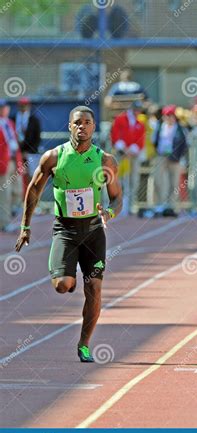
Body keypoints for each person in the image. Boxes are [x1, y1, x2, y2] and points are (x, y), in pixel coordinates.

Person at [15, 106, 122, 363]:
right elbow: (34, 189)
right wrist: (25, 226)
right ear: (70, 126)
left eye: (87, 122)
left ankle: (84, 344)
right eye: (77, 123)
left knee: (94, 288)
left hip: (94, 231)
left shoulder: (105, 160)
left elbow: (117, 198)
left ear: (94, 127)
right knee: (63, 286)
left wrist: (108, 213)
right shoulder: (54, 157)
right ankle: (69, 276)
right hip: (65, 229)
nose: (82, 127)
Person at [151, 104, 188, 216]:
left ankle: (171, 206)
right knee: (158, 180)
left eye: (171, 115)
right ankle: (159, 204)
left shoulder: (181, 129)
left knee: (174, 182)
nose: (169, 118)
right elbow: (154, 140)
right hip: (161, 156)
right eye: (167, 115)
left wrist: (179, 157)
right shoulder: (159, 126)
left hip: (174, 158)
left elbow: (184, 145)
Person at [110, 100, 145, 214]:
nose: (137, 112)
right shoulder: (120, 119)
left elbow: (141, 140)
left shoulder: (140, 123)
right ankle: (118, 204)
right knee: (119, 179)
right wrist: (122, 148)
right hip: (121, 154)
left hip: (133, 155)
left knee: (133, 179)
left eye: (138, 110)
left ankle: (131, 204)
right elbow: (115, 134)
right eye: (135, 110)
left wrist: (133, 149)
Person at [0, 99, 23, 231]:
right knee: (5, 194)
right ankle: (4, 222)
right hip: (3, 162)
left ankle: (14, 209)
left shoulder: (9, 122)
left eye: (5, 107)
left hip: (14, 159)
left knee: (18, 190)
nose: (4, 109)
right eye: (1, 107)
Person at [14, 97, 42, 181]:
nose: (23, 107)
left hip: (30, 153)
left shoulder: (34, 120)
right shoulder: (13, 118)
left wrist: (28, 151)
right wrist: (18, 152)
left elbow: (37, 138)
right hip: (16, 153)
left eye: (25, 105)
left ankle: (31, 194)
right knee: (17, 177)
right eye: (21, 105)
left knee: (32, 177)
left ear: (29, 106)